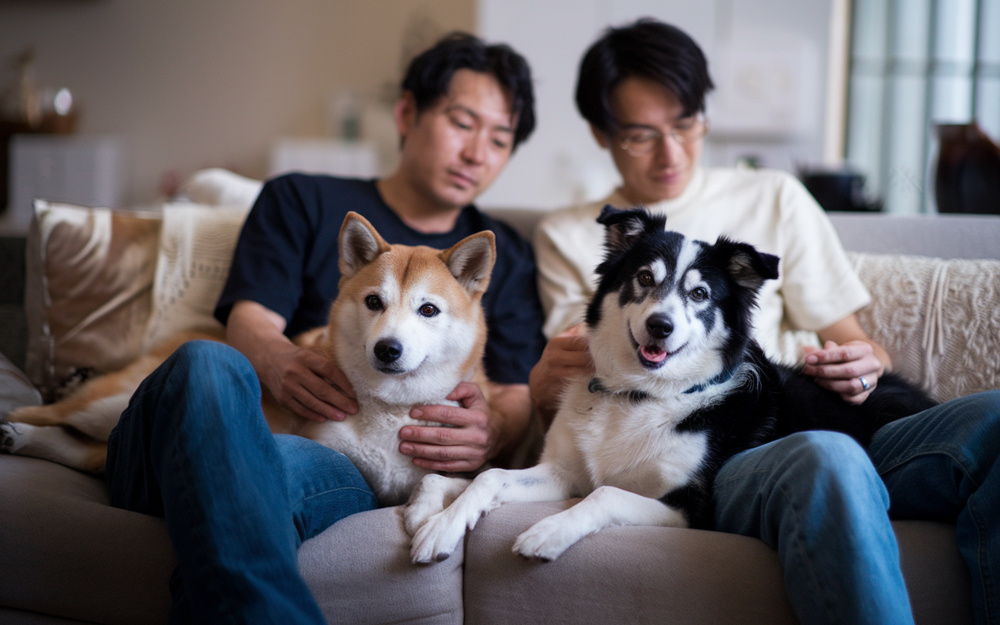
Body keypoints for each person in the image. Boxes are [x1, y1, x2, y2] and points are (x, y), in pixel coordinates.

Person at [529, 18, 1000, 625]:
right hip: (741, 451)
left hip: (830, 412)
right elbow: (574, 391)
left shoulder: (775, 196)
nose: (670, 152)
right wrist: (543, 380)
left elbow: (856, 342)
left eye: (685, 124)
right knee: (825, 455)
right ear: (601, 133)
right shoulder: (578, 235)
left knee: (992, 417)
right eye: (642, 134)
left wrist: (863, 364)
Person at [104, 32, 545, 624]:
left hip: (316, 458)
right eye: (463, 123)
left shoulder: (502, 254)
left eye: (500, 139)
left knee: (266, 475)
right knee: (207, 361)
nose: (477, 153)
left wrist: (491, 431)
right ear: (407, 113)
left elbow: (516, 391)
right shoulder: (302, 199)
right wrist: (280, 363)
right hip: (227, 426)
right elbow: (251, 319)